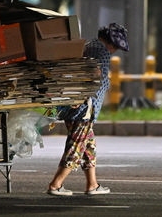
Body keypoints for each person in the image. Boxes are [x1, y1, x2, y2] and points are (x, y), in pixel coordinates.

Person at [47, 23, 129, 196]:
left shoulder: (88, 46)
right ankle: (56, 184)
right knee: (76, 146)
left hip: (74, 103)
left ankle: (92, 184)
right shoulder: (102, 52)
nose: (115, 51)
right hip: (85, 108)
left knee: (89, 147)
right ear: (111, 43)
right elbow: (97, 77)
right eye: (116, 47)